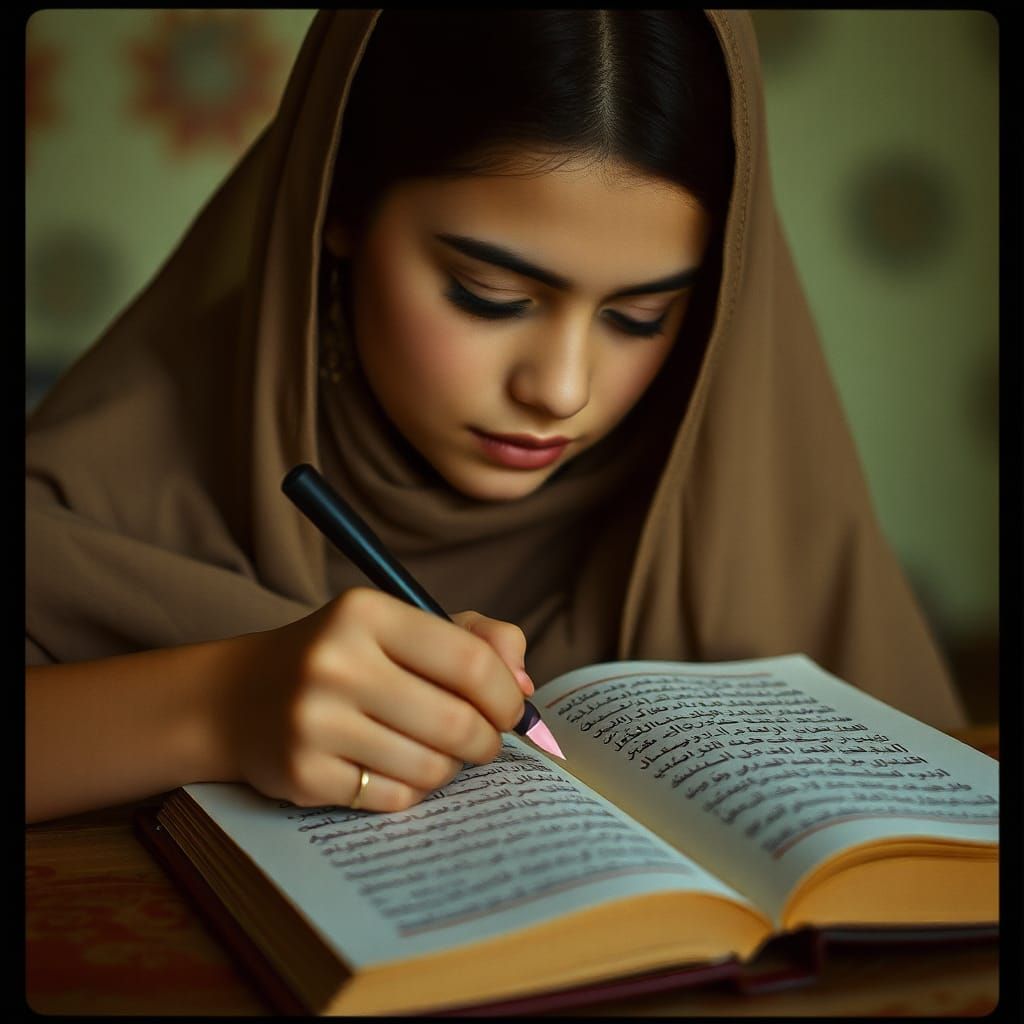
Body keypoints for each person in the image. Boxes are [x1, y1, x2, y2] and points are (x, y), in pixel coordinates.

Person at [25, 10, 966, 826]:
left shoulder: (753, 503)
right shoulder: (128, 460)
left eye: (643, 317)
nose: (561, 389)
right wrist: (220, 705)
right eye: (488, 294)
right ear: (338, 205)